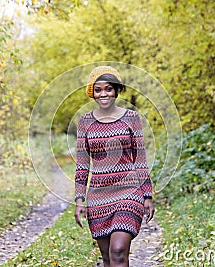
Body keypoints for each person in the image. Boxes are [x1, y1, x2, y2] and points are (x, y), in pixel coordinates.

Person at [74, 66, 155, 267]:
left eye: (108, 88)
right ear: (92, 93)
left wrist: (147, 195)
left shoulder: (131, 118)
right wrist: (79, 199)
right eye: (98, 89)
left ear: (117, 91)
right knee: (108, 257)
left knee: (118, 251)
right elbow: (83, 165)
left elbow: (140, 159)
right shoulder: (85, 122)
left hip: (129, 192)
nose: (104, 94)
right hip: (98, 198)